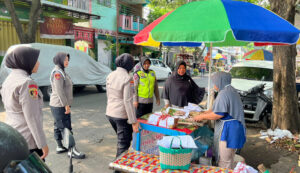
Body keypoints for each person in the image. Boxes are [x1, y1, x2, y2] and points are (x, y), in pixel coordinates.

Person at [1, 46, 49, 160]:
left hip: (14, 135)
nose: (38, 63)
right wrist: (42, 144)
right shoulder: (27, 83)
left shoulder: (8, 80)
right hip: (28, 140)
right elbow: (32, 118)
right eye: (35, 60)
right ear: (26, 61)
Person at [193, 72, 246, 169]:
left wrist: (201, 117)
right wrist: (204, 113)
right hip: (235, 128)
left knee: (224, 161)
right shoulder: (230, 90)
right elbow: (216, 108)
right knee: (230, 159)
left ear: (220, 81)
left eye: (215, 82)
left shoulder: (224, 93)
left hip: (229, 130)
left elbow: (218, 114)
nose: (214, 85)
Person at [49, 52, 85, 159]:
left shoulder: (61, 71)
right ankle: (71, 150)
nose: (67, 62)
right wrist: (66, 105)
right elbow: (60, 90)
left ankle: (60, 146)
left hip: (57, 104)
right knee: (66, 127)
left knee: (58, 125)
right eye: (65, 60)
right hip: (60, 105)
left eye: (68, 60)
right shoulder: (58, 73)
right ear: (59, 60)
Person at [106, 53, 140, 159]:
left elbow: (108, 95)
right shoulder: (127, 78)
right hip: (121, 116)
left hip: (110, 113)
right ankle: (118, 169)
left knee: (122, 141)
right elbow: (128, 101)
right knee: (123, 146)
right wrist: (133, 121)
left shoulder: (110, 75)